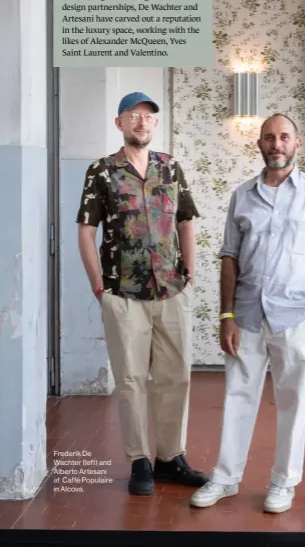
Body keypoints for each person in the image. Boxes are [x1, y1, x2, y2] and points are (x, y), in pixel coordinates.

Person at [190, 112, 305, 514]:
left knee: (293, 400)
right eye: (268, 138)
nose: (276, 144)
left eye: (284, 137)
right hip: (246, 315)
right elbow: (228, 257)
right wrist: (225, 316)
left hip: (296, 316)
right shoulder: (243, 195)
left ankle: (283, 483)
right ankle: (225, 479)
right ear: (258, 144)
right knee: (238, 396)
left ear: (297, 144)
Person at [76, 91, 208, 496]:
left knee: (176, 376)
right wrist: (98, 285)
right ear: (120, 123)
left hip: (170, 290)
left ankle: (170, 458)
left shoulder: (170, 168)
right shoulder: (101, 171)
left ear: (155, 124)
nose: (142, 122)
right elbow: (86, 228)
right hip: (122, 292)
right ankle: (139, 461)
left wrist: (190, 270)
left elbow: (186, 219)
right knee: (131, 379)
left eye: (149, 117)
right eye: (133, 116)